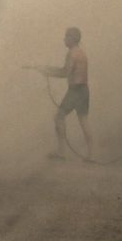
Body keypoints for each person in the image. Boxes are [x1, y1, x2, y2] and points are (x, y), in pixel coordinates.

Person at [36, 27, 93, 160]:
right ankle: (91, 154)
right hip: (84, 90)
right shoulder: (82, 53)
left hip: (75, 91)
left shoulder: (72, 54)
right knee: (84, 121)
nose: (64, 39)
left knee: (58, 117)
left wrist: (47, 71)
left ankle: (62, 152)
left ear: (72, 39)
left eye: (66, 37)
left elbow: (64, 72)